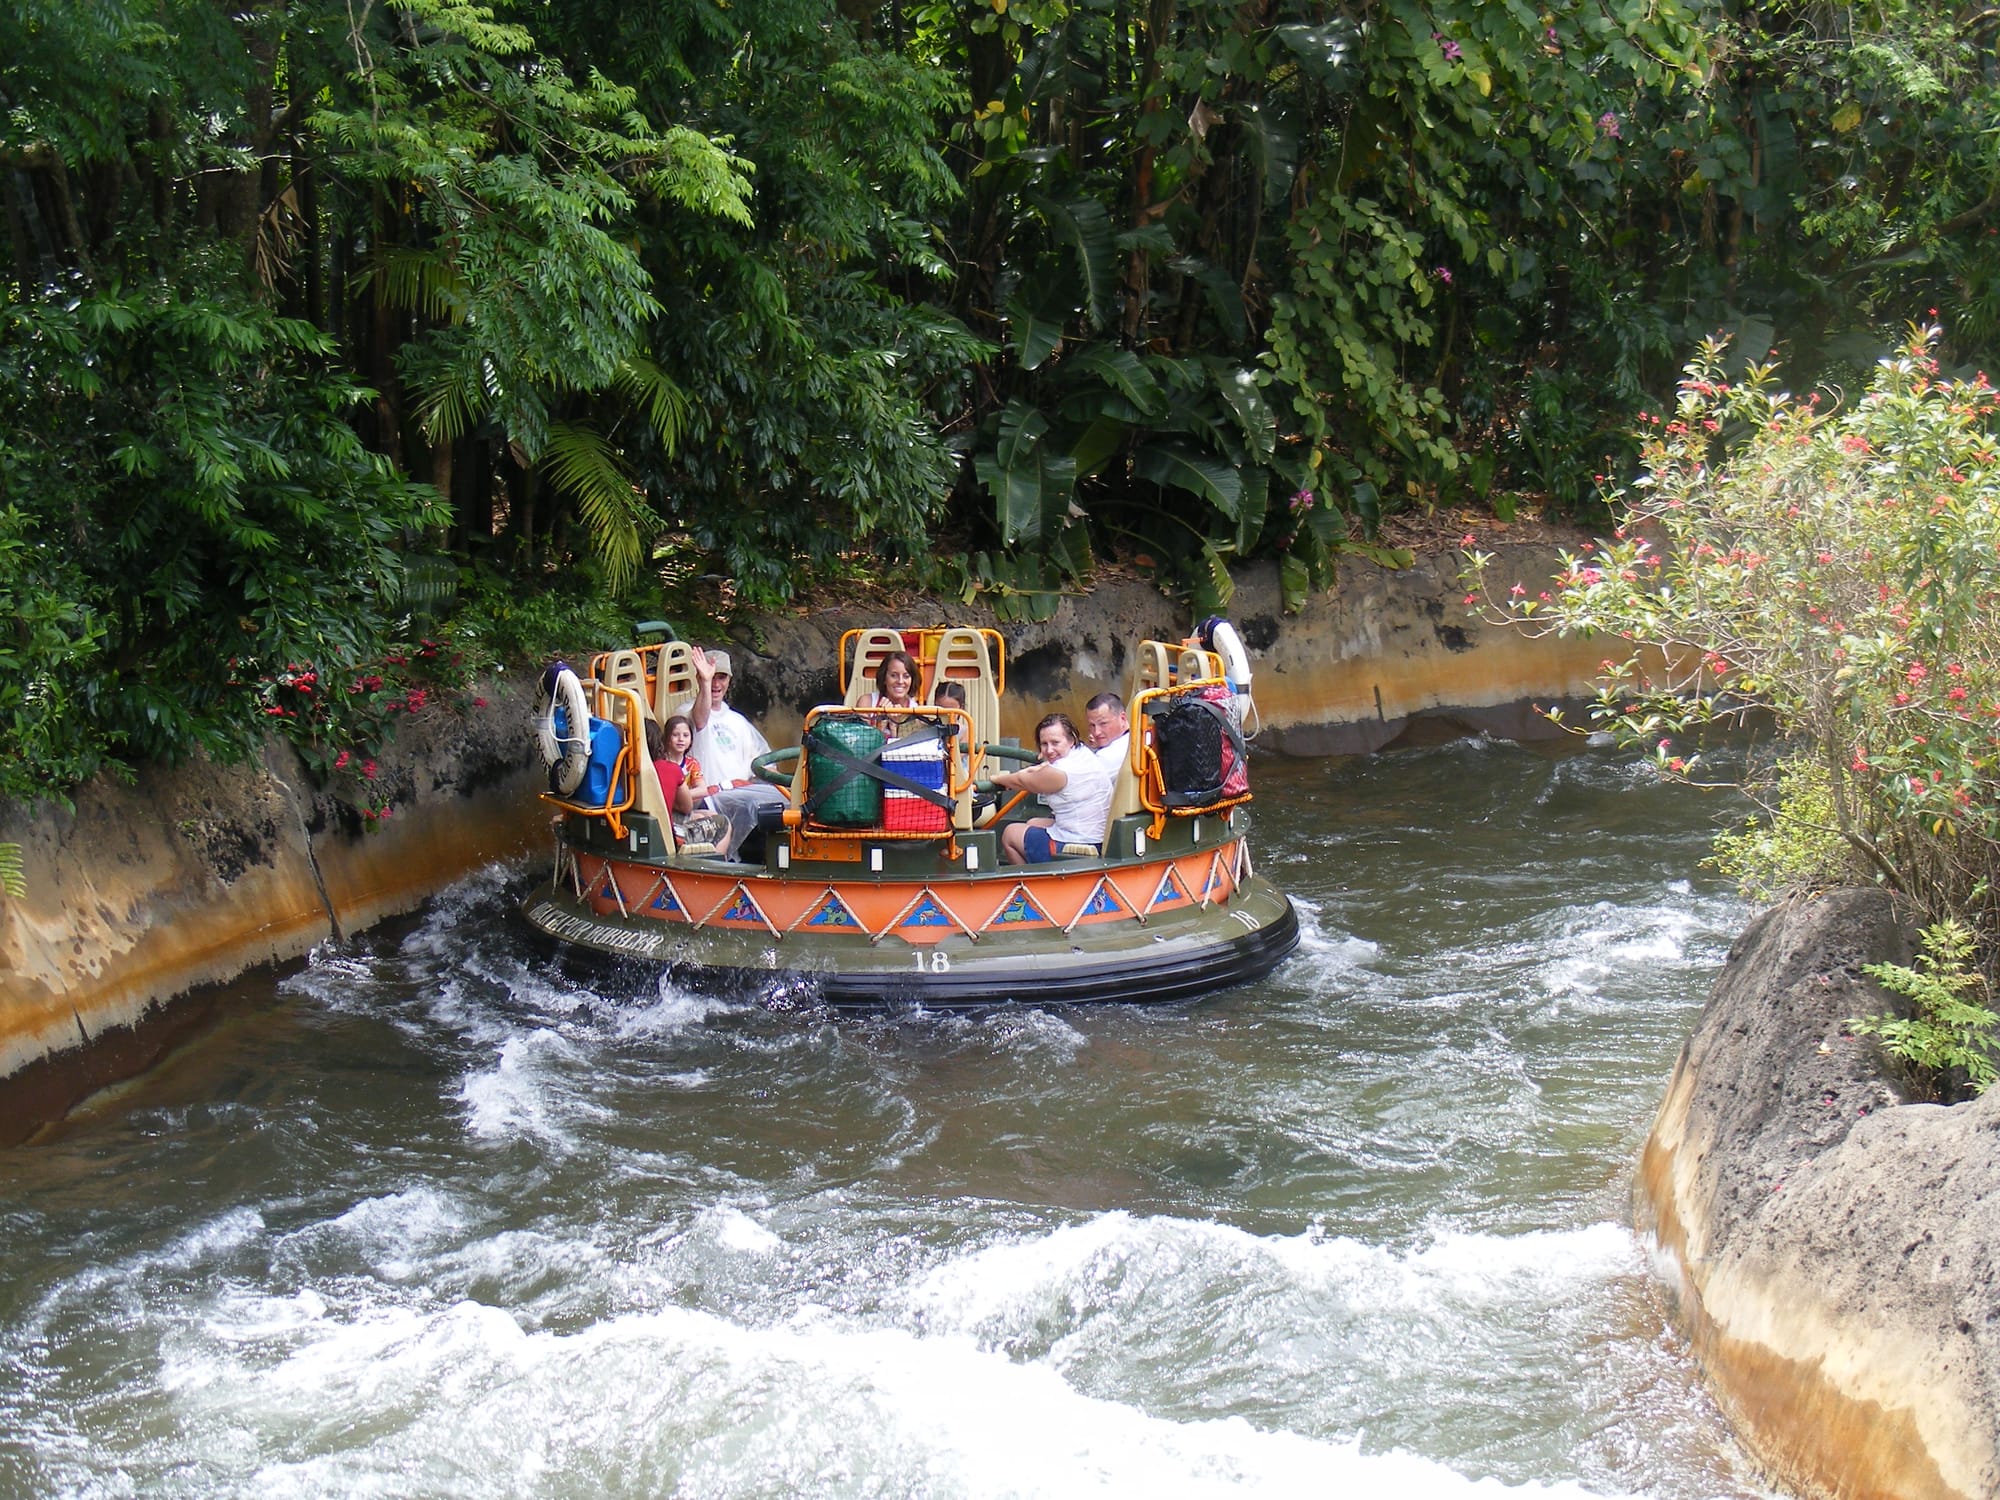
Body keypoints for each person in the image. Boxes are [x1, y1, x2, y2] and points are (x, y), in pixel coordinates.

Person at [689, 647, 787, 859]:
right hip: (712, 796)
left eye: (721, 677)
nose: (715, 684)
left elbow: (763, 759)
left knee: (787, 798)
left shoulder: (736, 720)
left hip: (742, 790)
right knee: (754, 806)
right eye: (710, 677)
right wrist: (704, 683)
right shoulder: (689, 713)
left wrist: (772, 776)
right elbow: (700, 721)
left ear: (729, 680)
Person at [990, 712, 1112, 864]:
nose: (1049, 750)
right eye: (1044, 744)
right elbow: (1041, 771)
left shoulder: (1060, 772)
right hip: (1094, 834)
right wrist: (1034, 771)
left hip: (1082, 841)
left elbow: (1022, 781)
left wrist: (996, 779)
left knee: (1010, 833)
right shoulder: (1082, 754)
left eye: (1055, 743)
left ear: (1071, 740)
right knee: (1033, 823)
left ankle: (1030, 884)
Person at [643, 718, 730, 852]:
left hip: (656, 823)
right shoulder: (670, 768)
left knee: (705, 815)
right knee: (724, 823)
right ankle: (715, 867)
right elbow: (687, 807)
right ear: (663, 740)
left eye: (685, 735)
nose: (681, 739)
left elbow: (702, 790)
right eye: (675, 735)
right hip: (670, 830)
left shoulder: (628, 767)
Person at [861, 650, 920, 731]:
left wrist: (895, 727)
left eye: (906, 676)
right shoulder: (866, 702)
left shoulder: (915, 711)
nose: (900, 681)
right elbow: (862, 741)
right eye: (893, 675)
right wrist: (880, 722)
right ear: (884, 678)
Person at [1084, 691, 1130, 770]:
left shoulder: (1107, 756)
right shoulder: (1137, 735)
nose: (1096, 732)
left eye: (1103, 723)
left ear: (1122, 718)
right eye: (1092, 725)